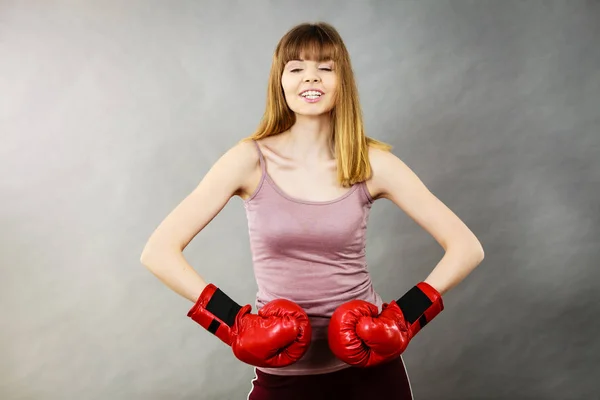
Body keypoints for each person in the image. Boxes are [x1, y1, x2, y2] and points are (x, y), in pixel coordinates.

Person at [140, 22, 484, 400]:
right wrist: (233, 323)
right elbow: (159, 251)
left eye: (326, 67)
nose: (311, 78)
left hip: (371, 377)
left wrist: (403, 319)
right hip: (284, 379)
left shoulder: (371, 162)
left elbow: (466, 247)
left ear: (342, 81)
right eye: (297, 67)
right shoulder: (248, 161)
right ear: (280, 81)